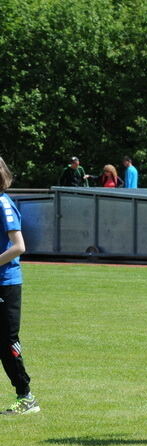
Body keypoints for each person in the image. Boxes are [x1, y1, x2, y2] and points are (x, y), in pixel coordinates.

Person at [0, 157, 38, 416]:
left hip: (6, 283)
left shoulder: (3, 203)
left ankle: (26, 396)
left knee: (7, 341)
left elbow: (19, 246)